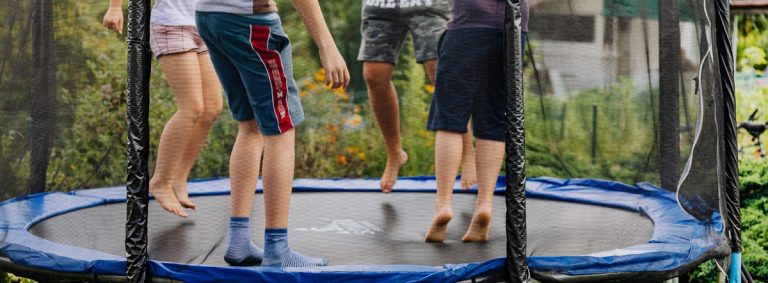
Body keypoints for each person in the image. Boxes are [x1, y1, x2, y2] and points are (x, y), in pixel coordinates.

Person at [195, 0, 350, 267]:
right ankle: (277, 248)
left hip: (210, 15)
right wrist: (327, 45)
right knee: (281, 128)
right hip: (250, 22)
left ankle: (238, 241)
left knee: (250, 124)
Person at [103, 0, 223, 218]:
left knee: (212, 108)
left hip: (204, 23)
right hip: (172, 24)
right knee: (192, 108)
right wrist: (114, 7)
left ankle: (179, 178)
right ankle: (161, 181)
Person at [424, 0, 529, 243]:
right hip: (513, 29)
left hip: (467, 26)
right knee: (493, 120)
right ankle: (484, 204)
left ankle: (444, 203)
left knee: (448, 119)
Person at [358, 0, 477, 193]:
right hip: (381, 5)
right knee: (374, 74)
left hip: (427, 4)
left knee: (440, 71)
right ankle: (395, 153)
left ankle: (467, 151)